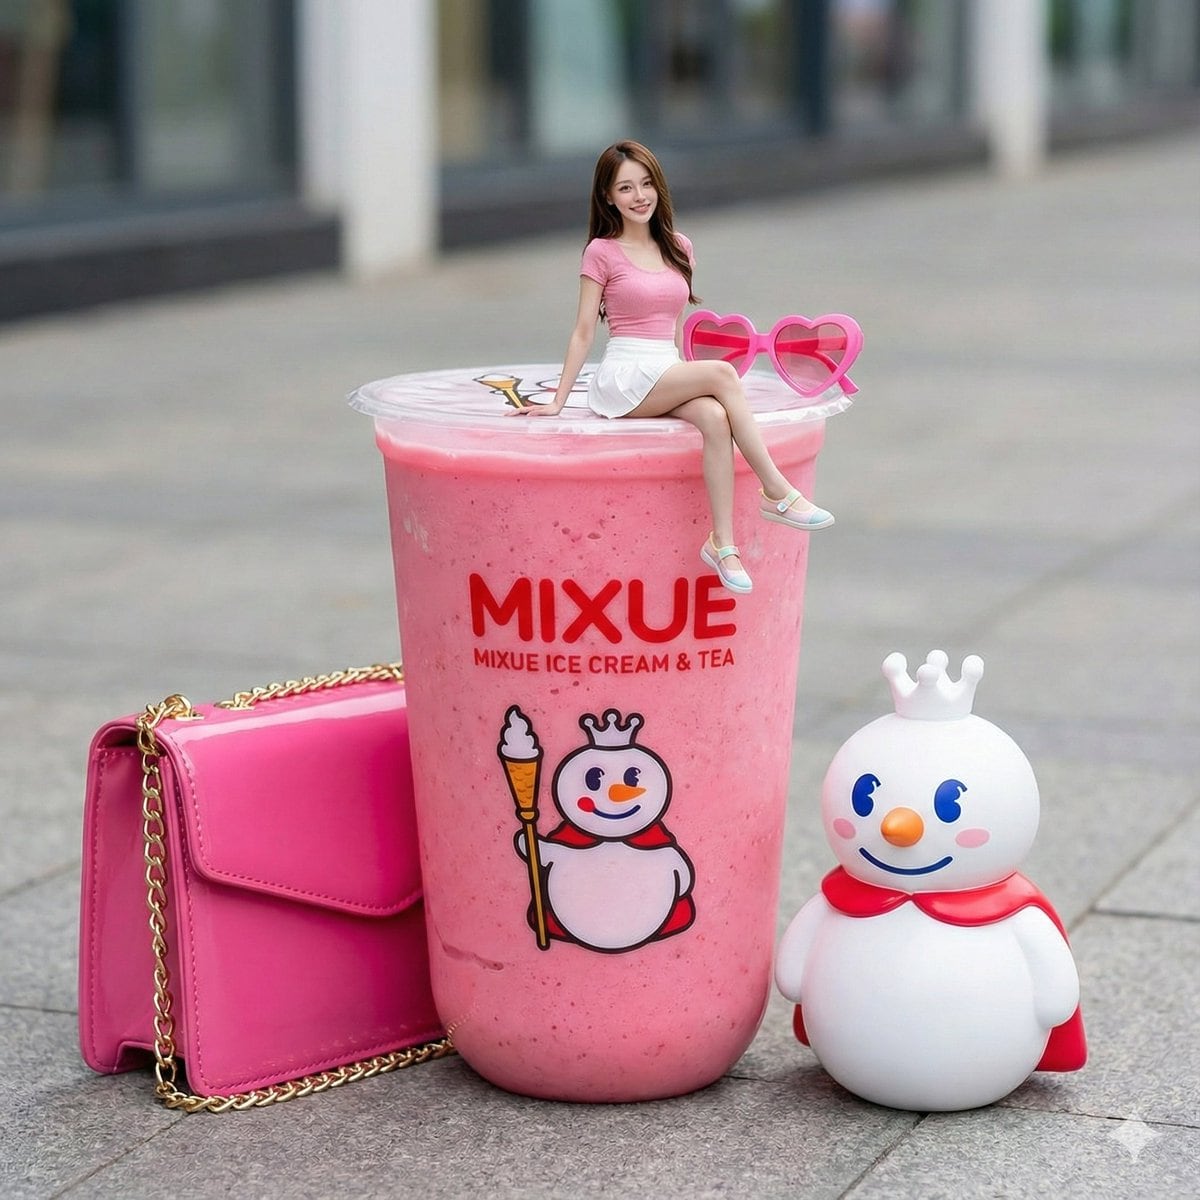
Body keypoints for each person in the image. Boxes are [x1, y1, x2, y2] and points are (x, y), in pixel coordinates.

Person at [516, 140, 833, 595]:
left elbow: (674, 324)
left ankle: (722, 544)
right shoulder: (601, 252)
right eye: (625, 188)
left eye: (646, 184)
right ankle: (777, 491)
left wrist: (686, 381)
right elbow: (583, 331)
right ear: (608, 196)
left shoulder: (679, 247)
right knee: (722, 374)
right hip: (625, 375)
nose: (639, 196)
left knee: (715, 415)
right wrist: (558, 401)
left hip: (664, 368)